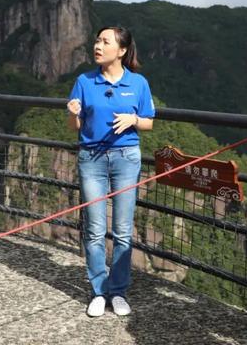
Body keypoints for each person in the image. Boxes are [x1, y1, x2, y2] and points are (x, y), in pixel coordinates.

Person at [67, 26, 155, 317]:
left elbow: (148, 122)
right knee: (93, 229)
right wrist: (72, 113)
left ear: (121, 50)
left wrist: (133, 119)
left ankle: (118, 291)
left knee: (122, 230)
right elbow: (75, 127)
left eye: (105, 42)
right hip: (91, 158)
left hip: (126, 159)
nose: (97, 45)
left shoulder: (138, 83)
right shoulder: (84, 81)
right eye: (97, 40)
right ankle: (98, 291)